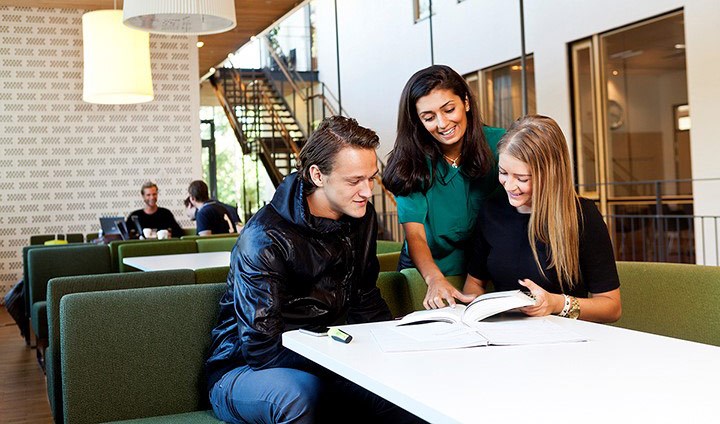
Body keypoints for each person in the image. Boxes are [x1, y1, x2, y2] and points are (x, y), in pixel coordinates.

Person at [205, 116, 421, 424]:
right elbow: (261, 346)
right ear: (317, 175)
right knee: (300, 395)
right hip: (243, 368)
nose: (367, 191)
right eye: (354, 181)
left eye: (371, 178)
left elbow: (364, 297)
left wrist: (394, 348)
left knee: (401, 389)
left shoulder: (361, 217)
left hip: (321, 354)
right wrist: (344, 363)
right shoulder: (264, 237)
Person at [463, 115, 622, 323]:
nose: (509, 186)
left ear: (550, 175)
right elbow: (474, 283)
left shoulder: (582, 216)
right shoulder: (491, 211)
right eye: (503, 173)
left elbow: (611, 307)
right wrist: (474, 309)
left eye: (522, 179)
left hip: (565, 340)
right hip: (504, 338)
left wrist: (556, 304)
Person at [382, 64, 505, 309]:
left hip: (483, 268)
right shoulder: (409, 161)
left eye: (449, 109)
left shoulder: (501, 145)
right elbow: (415, 235)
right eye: (429, 117)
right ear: (417, 120)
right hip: (427, 270)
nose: (442, 123)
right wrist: (434, 279)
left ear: (466, 103)